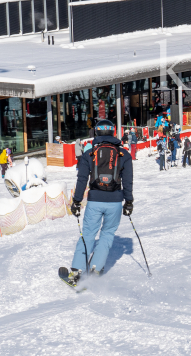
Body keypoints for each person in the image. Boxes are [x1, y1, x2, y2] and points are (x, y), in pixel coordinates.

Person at [66, 119, 133, 284]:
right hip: (115, 201)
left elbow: (82, 179)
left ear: (96, 133)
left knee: (88, 233)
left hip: (95, 200)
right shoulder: (123, 154)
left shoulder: (89, 153)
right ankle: (96, 268)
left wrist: (76, 201)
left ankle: (76, 271)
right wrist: (129, 201)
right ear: (112, 132)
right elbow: (128, 181)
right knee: (107, 234)